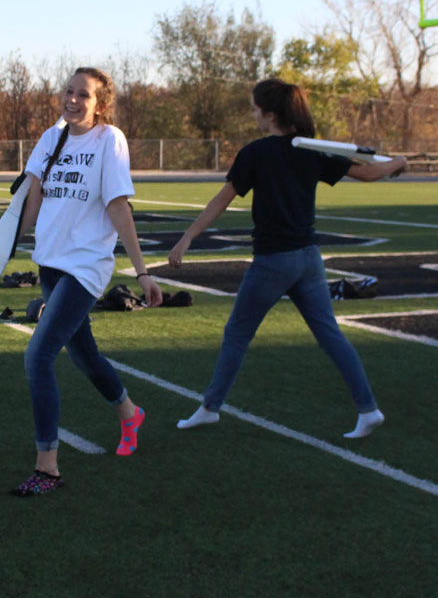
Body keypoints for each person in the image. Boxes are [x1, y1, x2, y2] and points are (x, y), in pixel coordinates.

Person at [169, 78, 407, 439]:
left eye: (254, 109)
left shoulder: (258, 152)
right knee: (329, 334)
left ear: (269, 114)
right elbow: (371, 173)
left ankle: (209, 408)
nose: (252, 115)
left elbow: (222, 199)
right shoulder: (310, 150)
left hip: (274, 261)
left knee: (236, 333)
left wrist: (188, 236)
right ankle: (368, 408)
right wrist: (398, 163)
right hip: (309, 258)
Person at [0, 67, 162, 496]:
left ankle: (47, 469)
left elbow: (118, 207)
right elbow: (31, 200)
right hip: (51, 264)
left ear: (101, 104)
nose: (73, 100)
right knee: (84, 354)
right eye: (69, 91)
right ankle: (129, 413)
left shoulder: (109, 141)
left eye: (84, 95)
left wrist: (142, 272)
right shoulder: (50, 138)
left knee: (38, 356)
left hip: (86, 267)